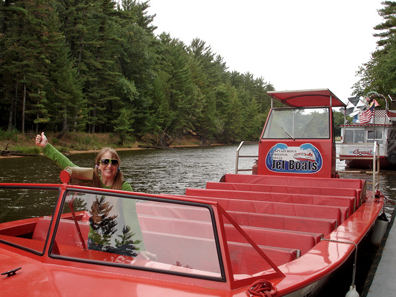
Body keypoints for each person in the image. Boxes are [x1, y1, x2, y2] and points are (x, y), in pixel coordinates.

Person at [35, 132, 156, 260]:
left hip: (121, 244)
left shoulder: (124, 187)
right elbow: (68, 165)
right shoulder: (93, 180)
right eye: (105, 162)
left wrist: (139, 246)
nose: (109, 166)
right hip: (96, 243)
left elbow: (131, 218)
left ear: (117, 166)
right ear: (98, 166)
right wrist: (46, 146)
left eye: (113, 162)